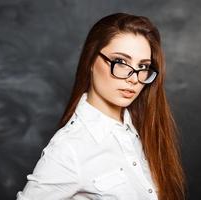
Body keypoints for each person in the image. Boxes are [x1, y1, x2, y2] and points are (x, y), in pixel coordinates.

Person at [17, 12, 185, 200]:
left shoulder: (144, 130)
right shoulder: (69, 149)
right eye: (121, 62)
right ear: (90, 60)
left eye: (143, 66)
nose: (133, 78)